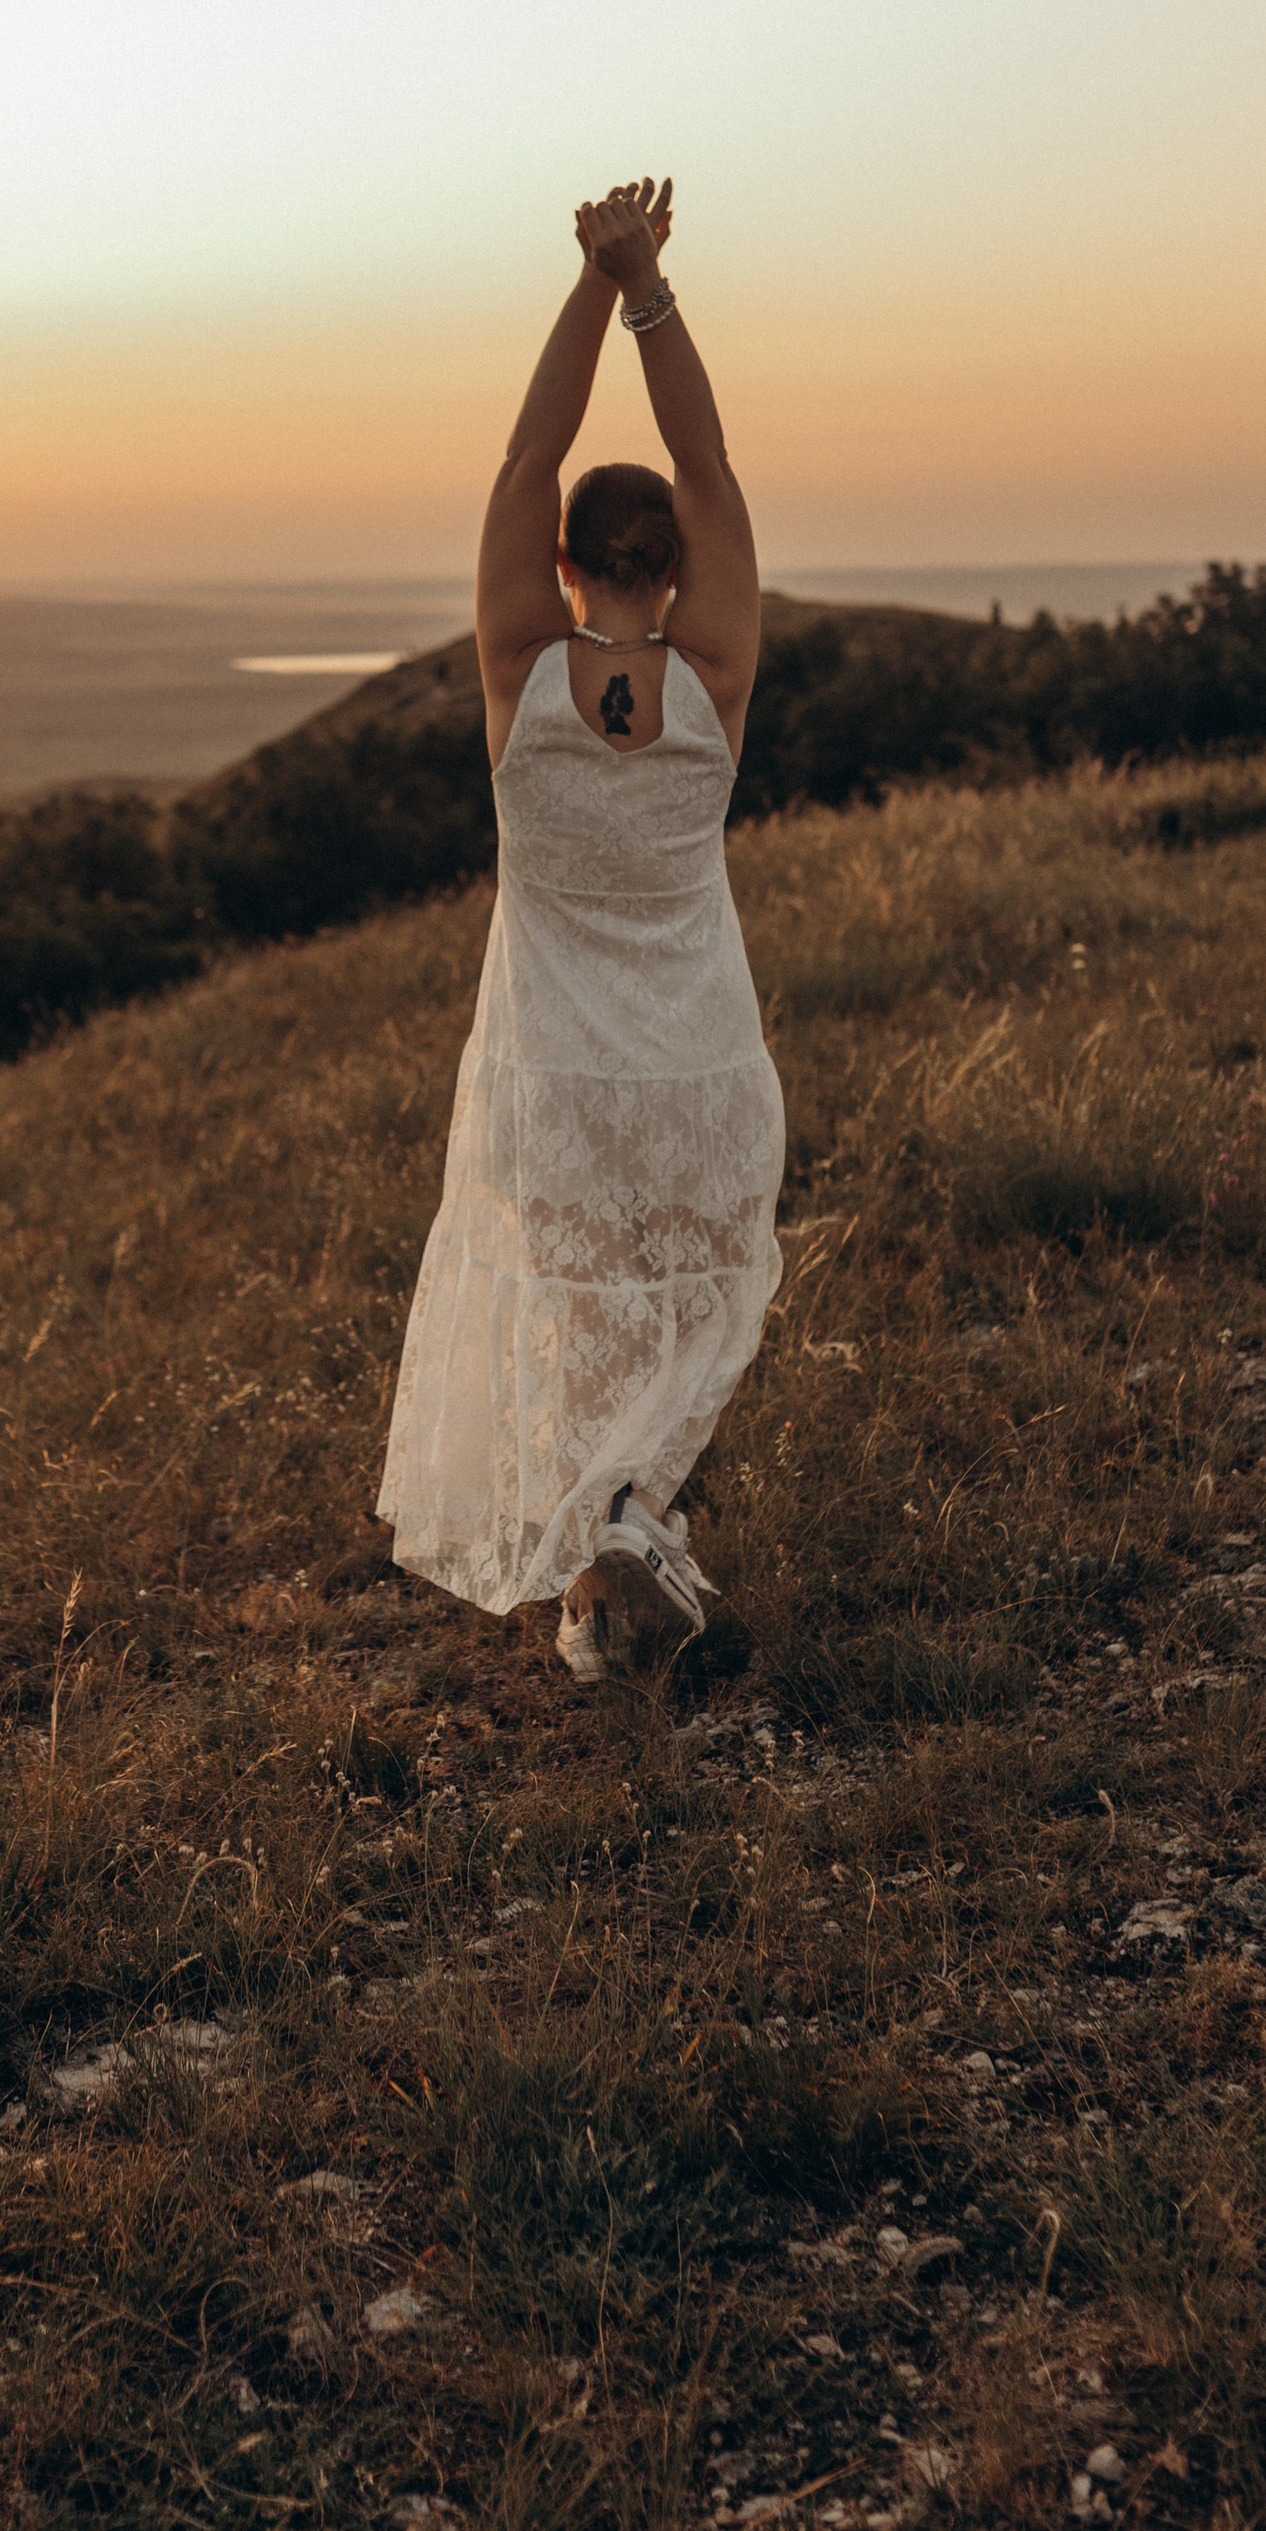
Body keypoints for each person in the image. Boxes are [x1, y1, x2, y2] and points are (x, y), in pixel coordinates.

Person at [375, 178, 785, 1679]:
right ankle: (629, 1525)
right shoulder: (719, 668)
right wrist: (653, 291)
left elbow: (526, 451)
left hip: (551, 1075)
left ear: (562, 566)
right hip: (696, 1066)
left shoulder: (515, 667)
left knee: (584, 1320)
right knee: (692, 1308)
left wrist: (592, 283)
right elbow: (709, 456)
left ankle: (616, 1544)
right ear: (673, 571)